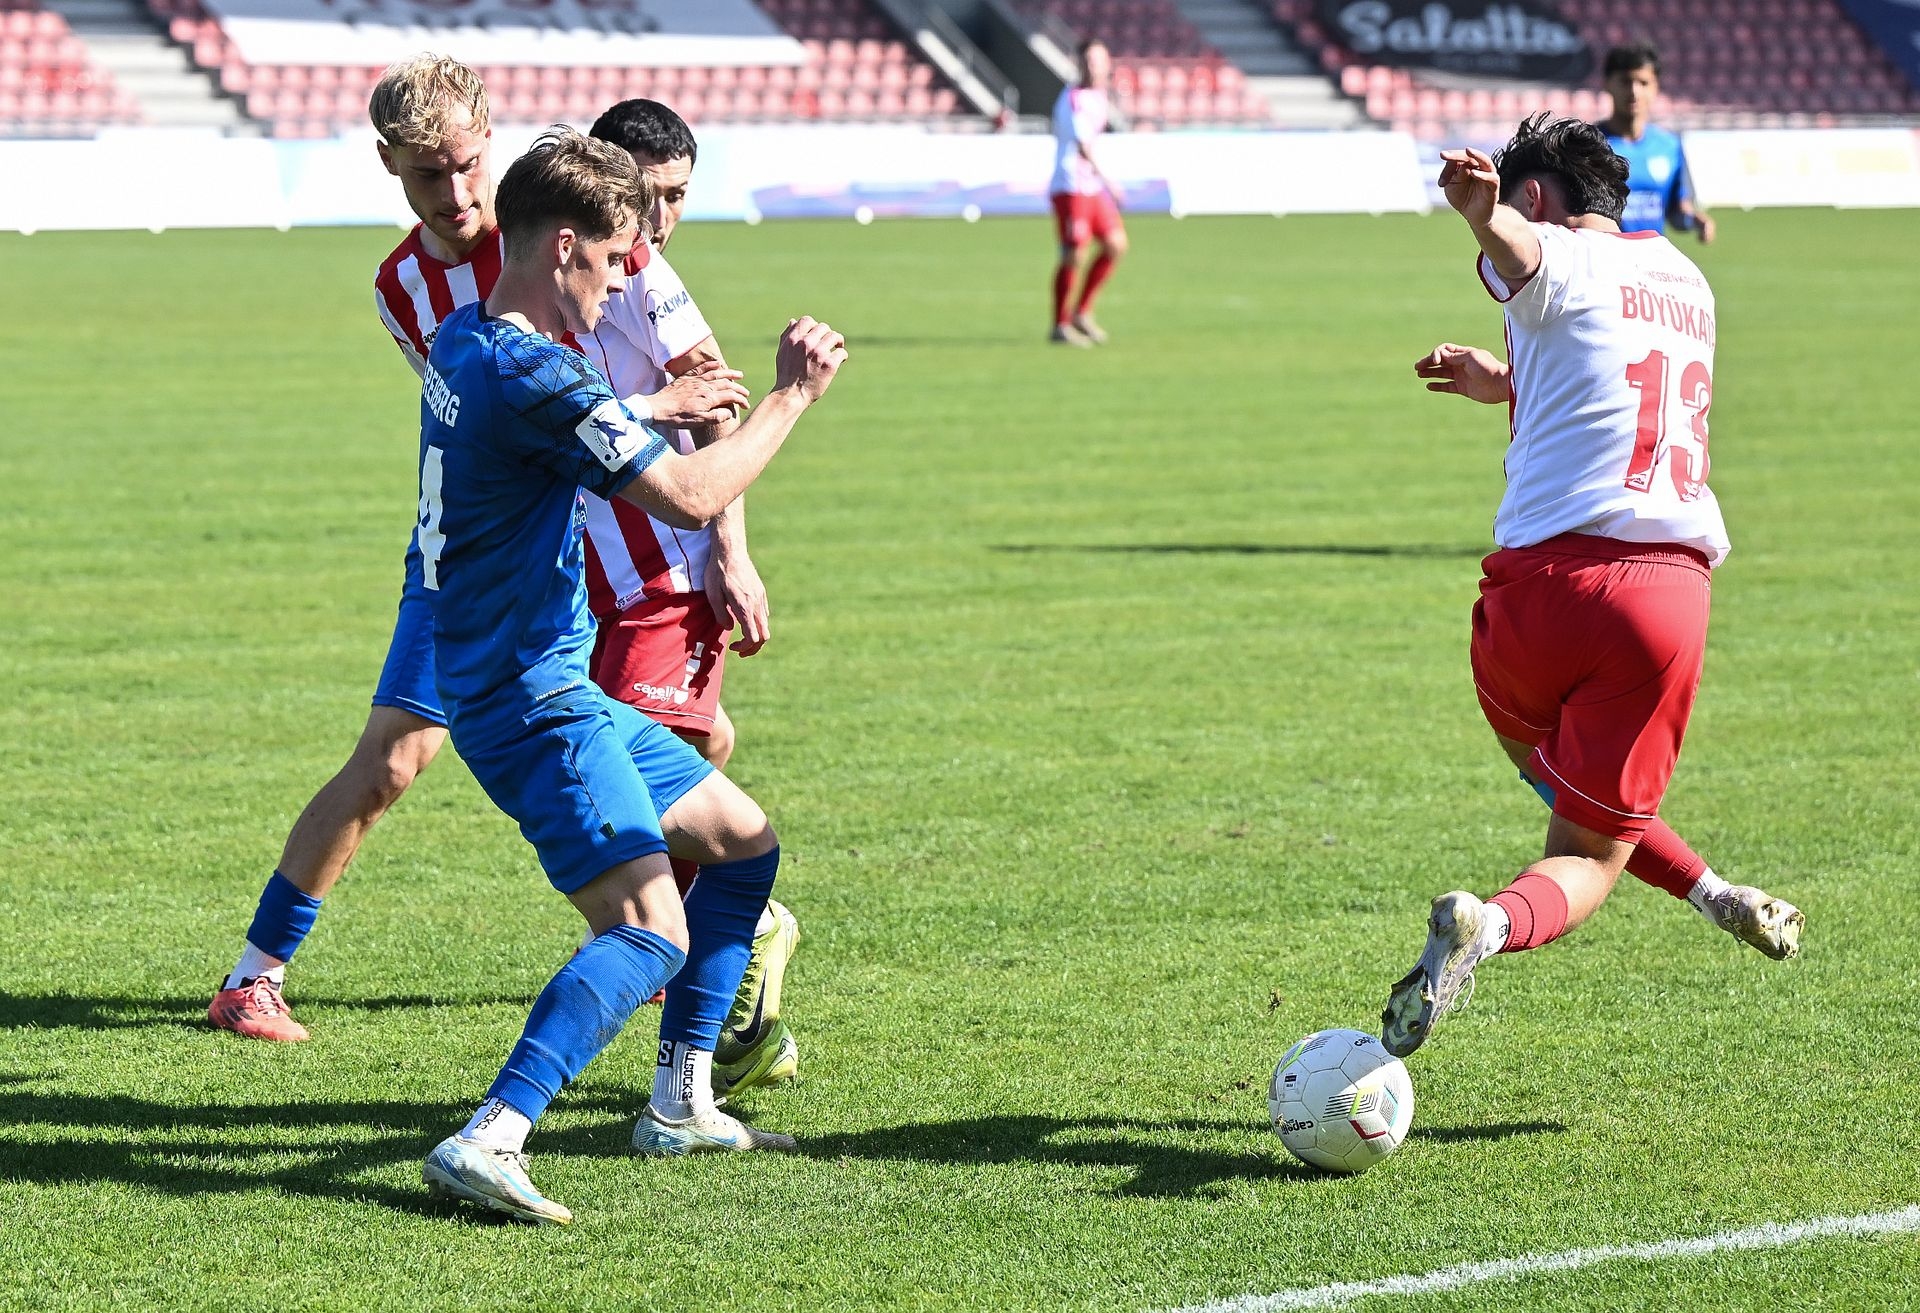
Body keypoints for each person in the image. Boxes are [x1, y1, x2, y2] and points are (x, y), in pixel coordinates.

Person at [204, 58, 762, 1059]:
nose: (457, 193)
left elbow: (706, 387)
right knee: (394, 758)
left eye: (467, 165)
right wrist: (643, 410)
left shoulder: (574, 224)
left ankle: (665, 944)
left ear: (491, 142)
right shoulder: (401, 287)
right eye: (429, 174)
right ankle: (255, 974)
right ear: (389, 164)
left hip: (618, 545)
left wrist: (730, 546)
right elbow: (491, 414)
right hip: (482, 555)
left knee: (683, 739)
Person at [416, 127, 847, 1223]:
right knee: (650, 927)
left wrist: (647, 409)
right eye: (612, 259)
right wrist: (790, 397)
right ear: (563, 246)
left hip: (534, 677)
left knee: (742, 842)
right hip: (532, 698)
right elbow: (693, 498)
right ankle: (491, 1133)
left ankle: (680, 1102)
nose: (619, 285)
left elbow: (552, 424)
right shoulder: (539, 373)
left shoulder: (466, 341)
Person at [1382, 114, 1801, 1059]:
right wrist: (1508, 380)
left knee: (1548, 774)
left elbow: (1529, 252)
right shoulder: (1688, 281)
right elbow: (1614, 373)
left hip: (1537, 595)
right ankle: (1496, 923)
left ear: (1537, 195)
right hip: (1662, 601)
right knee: (1586, 844)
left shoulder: (1552, 250)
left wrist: (1483, 216)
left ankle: (1710, 892)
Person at [578, 98, 800, 1097]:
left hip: (664, 572)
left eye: (677, 197)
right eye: (647, 194)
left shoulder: (648, 273)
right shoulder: (588, 253)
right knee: (648, 774)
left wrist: (730, 552)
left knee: (617, 798)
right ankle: (731, 950)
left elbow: (717, 399)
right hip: (603, 575)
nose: (661, 219)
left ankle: (738, 943)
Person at [1048, 38, 1127, 347]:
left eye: (1098, 61)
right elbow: (1082, 146)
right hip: (1071, 186)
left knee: (1115, 244)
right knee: (1074, 254)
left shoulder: (1100, 96)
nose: (1093, 67)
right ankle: (1060, 325)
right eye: (1088, 61)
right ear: (1079, 64)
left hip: (1090, 187)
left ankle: (1081, 312)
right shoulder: (1074, 99)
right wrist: (1110, 182)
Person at [1596, 43, 1714, 243]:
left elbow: (1675, 212)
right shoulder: (1589, 146)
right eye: (1625, 81)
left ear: (1656, 87)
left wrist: (1693, 220)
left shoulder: (1669, 146)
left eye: (1643, 83)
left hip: (1652, 259)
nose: (1634, 91)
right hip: (1605, 258)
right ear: (1607, 84)